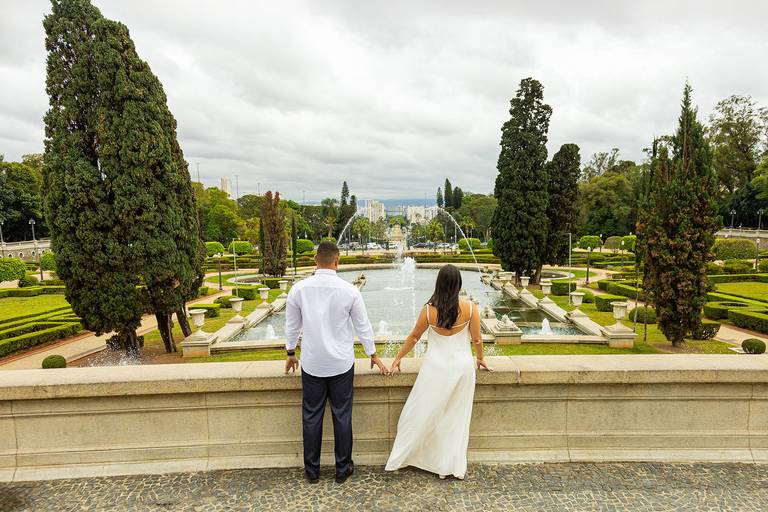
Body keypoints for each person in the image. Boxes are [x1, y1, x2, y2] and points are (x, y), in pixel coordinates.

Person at [284, 241, 389, 484]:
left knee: (311, 416)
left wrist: (291, 353)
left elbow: (292, 327)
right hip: (341, 363)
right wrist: (372, 354)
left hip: (312, 363)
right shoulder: (349, 291)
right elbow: (363, 326)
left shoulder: (298, 290)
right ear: (337, 261)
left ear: (315, 260)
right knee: (342, 415)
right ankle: (343, 468)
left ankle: (312, 471)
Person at [385, 264, 491, 480]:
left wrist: (398, 357)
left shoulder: (428, 310)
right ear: (458, 284)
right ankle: (448, 465)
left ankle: (410, 456)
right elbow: (477, 339)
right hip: (462, 368)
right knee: (456, 418)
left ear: (439, 283)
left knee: (422, 412)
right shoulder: (470, 308)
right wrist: (480, 358)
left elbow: (414, 337)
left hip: (435, 368)